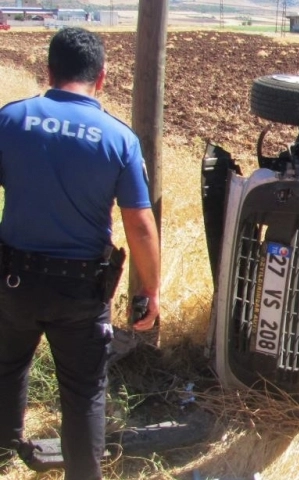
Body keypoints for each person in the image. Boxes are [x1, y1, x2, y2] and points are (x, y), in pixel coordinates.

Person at [0, 27, 160, 479]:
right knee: (84, 391)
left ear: (49, 71)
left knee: (7, 367)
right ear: (102, 78)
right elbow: (140, 225)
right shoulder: (119, 139)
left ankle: (5, 454)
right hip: (81, 293)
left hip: (13, 281)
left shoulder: (11, 120)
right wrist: (150, 289)